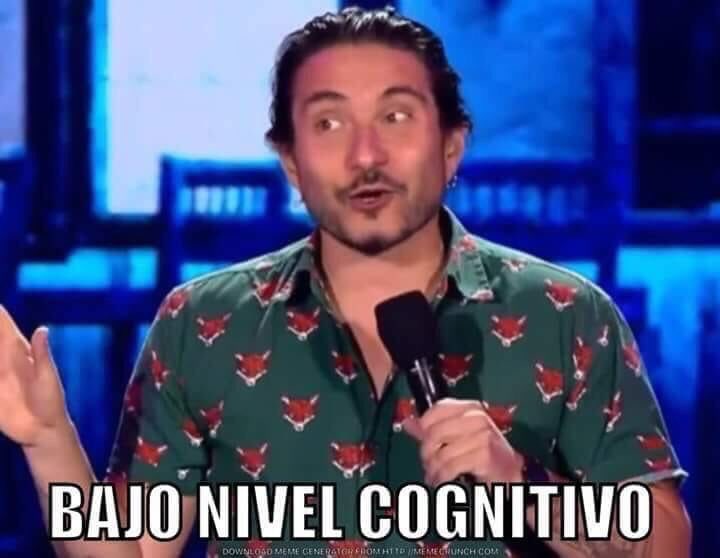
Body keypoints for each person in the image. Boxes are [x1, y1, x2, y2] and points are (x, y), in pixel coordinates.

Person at [0, 6, 691, 558]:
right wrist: (49, 438)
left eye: (396, 116)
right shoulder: (202, 322)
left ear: (452, 144)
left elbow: (666, 542)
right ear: (291, 162)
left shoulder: (568, 315)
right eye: (328, 123)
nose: (365, 155)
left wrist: (525, 490)